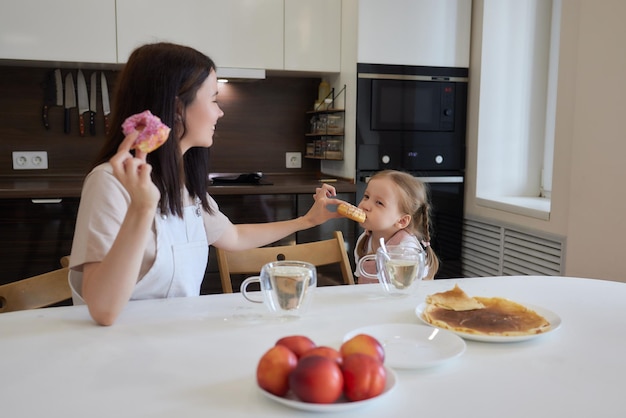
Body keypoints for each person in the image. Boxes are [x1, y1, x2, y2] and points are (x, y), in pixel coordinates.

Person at [68, 42, 343, 326]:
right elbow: (103, 311)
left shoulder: (183, 182)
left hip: (177, 339)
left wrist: (306, 221)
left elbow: (233, 236)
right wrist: (142, 207)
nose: (219, 112)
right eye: (213, 99)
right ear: (177, 108)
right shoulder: (109, 183)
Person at [353, 170, 439, 283]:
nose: (365, 206)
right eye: (366, 196)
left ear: (402, 221)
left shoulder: (407, 251)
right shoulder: (364, 240)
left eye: (379, 203)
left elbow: (407, 291)